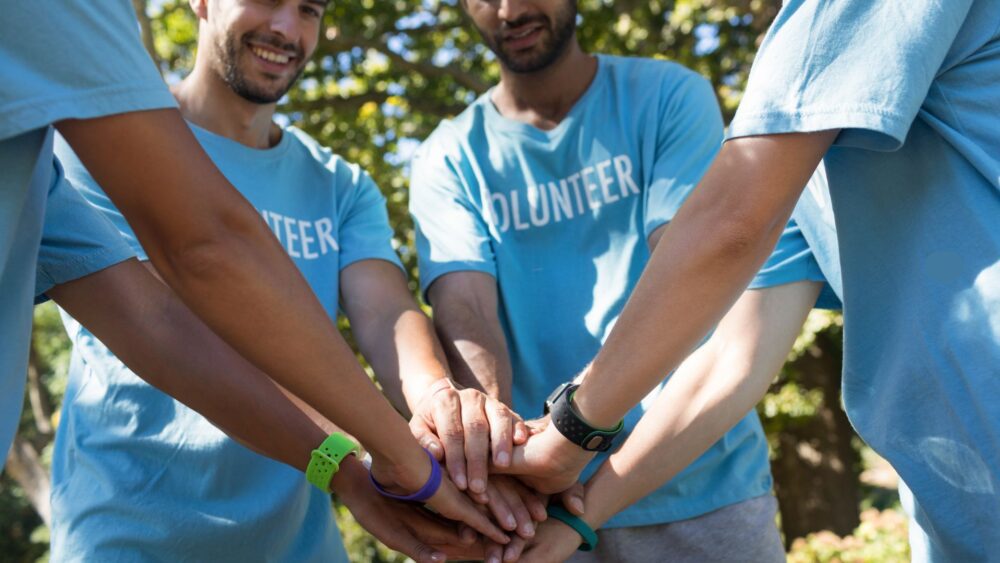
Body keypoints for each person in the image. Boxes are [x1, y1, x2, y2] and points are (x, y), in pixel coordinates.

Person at [507, 1, 1000, 561]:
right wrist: (582, 515)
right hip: (960, 514)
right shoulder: (799, 112)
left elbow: (731, 224)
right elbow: (732, 360)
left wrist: (570, 431)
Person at [50, 0, 530, 559]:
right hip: (131, 536)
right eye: (268, 1)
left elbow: (387, 314)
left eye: (308, 10)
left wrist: (441, 408)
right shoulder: (104, 142)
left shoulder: (340, 185)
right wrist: (367, 456)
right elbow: (167, 326)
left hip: (301, 546)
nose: (286, 29)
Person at [409, 0, 836, 560]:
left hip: (696, 477)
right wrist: (499, 456)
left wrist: (568, 435)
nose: (509, 10)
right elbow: (465, 310)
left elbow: (689, 264)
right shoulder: (449, 155)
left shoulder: (667, 95)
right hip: (537, 498)